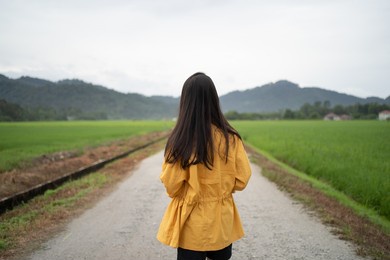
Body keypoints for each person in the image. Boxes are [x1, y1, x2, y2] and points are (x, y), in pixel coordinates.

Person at [156, 72, 251, 260]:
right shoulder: (230, 138)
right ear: (214, 100)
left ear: (185, 103)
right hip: (222, 222)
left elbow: (172, 186)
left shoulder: (180, 141)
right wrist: (220, 190)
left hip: (191, 225)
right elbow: (242, 179)